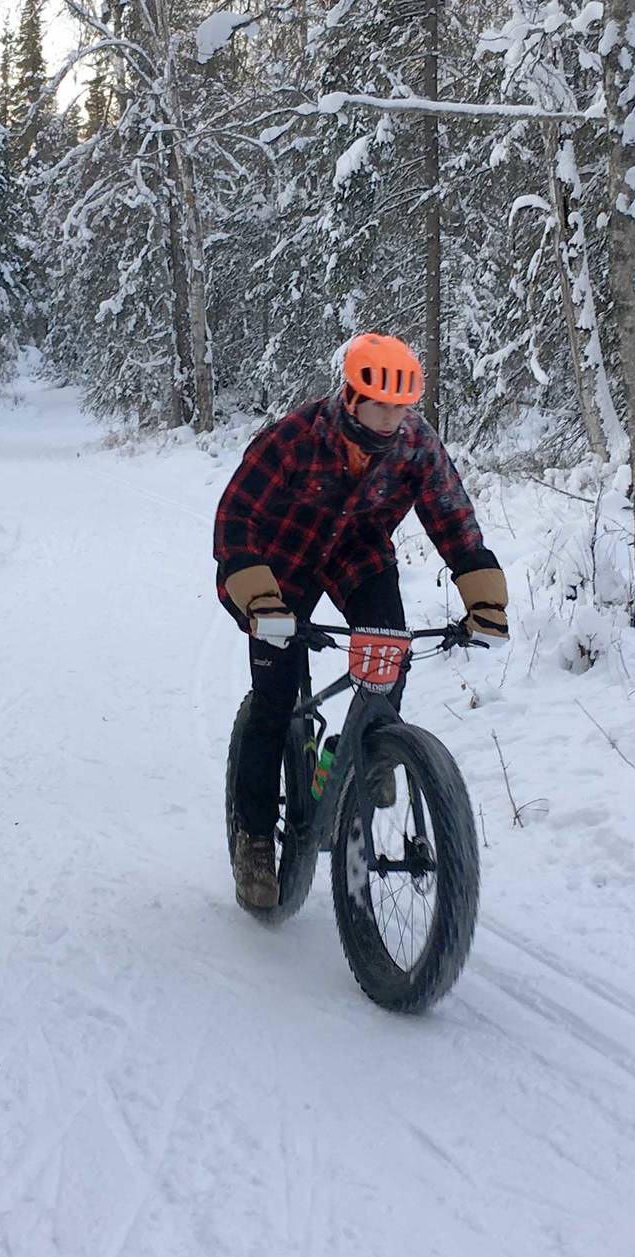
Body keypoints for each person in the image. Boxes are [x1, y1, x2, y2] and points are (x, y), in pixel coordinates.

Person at [214, 333, 508, 912]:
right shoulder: (294, 439)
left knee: (387, 650)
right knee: (274, 701)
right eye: (379, 405)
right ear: (350, 398)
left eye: (402, 407)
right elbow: (236, 517)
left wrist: (483, 597)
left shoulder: (416, 446)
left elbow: (453, 517)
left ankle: (375, 747)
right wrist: (258, 597)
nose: (392, 418)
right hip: (282, 561)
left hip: (357, 554)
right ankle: (252, 838)